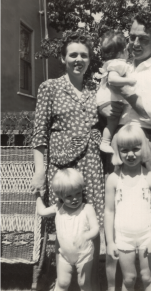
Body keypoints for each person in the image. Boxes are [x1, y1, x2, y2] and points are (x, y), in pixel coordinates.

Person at [99, 13, 151, 291]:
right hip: (119, 142)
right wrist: (107, 108)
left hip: (147, 142)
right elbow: (106, 102)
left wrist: (125, 91)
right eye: (132, 36)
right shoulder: (122, 66)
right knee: (121, 212)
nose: (135, 43)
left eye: (143, 39)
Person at [31, 31, 107, 290]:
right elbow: (39, 133)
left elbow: (106, 123)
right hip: (62, 169)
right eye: (73, 54)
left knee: (90, 220)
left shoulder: (95, 91)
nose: (78, 59)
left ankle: (91, 281)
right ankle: (63, 280)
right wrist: (40, 171)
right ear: (63, 58)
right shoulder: (49, 88)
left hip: (91, 167)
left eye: (84, 55)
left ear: (90, 60)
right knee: (63, 223)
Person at [105, 124, 151, 291]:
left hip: (146, 235)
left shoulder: (150, 178)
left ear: (143, 149)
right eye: (124, 150)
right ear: (118, 151)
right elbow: (109, 212)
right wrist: (110, 242)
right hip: (123, 237)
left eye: (135, 149)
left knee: (147, 277)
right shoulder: (113, 179)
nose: (130, 154)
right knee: (129, 279)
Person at [36, 168, 99, 291]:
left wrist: (87, 236)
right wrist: (37, 195)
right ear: (60, 196)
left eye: (78, 193)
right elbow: (42, 212)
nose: (75, 198)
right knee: (63, 283)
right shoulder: (58, 208)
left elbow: (95, 228)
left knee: (84, 284)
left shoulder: (87, 208)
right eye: (69, 196)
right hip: (64, 254)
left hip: (84, 254)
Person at [96, 30, 136, 154]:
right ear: (122, 51)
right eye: (126, 50)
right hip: (108, 99)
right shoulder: (118, 64)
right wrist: (130, 81)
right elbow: (112, 79)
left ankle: (106, 141)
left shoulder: (110, 63)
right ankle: (105, 142)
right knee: (113, 121)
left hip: (105, 98)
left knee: (113, 120)